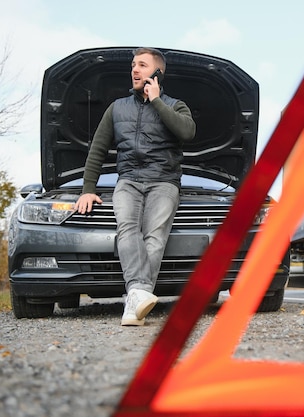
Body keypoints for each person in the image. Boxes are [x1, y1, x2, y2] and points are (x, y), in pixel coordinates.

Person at [74, 47, 196, 326]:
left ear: (157, 73)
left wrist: (156, 102)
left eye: (142, 65)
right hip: (128, 180)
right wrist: (87, 189)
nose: (135, 70)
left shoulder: (175, 105)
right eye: (133, 65)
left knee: (154, 236)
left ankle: (134, 301)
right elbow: (98, 149)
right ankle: (138, 296)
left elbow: (187, 132)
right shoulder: (117, 108)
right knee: (127, 229)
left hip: (164, 181)